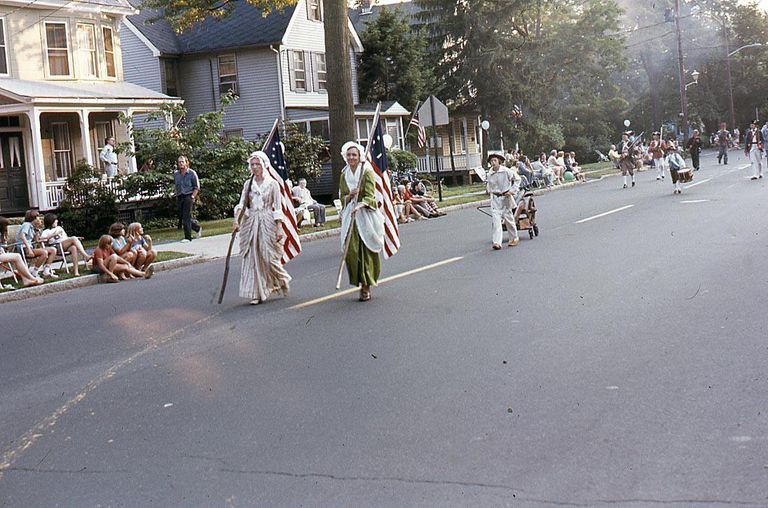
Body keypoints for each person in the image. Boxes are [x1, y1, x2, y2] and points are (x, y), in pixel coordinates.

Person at [233, 151, 292, 305]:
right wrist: (237, 220)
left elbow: (278, 207)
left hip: (267, 220)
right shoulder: (248, 184)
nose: (254, 167)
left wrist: (279, 227)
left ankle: (282, 278)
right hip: (252, 220)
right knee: (252, 256)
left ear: (264, 165)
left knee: (269, 256)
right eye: (252, 164)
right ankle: (256, 292)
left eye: (257, 164)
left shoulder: (273, 184)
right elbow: (242, 204)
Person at [339, 141, 385, 302]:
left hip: (365, 215)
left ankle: (366, 286)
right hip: (350, 215)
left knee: (366, 251)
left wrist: (362, 203)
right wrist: (350, 196)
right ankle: (358, 281)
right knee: (351, 252)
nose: (351, 157)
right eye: (349, 155)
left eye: (354, 155)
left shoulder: (366, 172)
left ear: (359, 156)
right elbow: (341, 197)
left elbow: (371, 196)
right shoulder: (344, 174)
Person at [486, 153, 519, 250]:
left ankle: (514, 238)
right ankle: (497, 242)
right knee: (496, 221)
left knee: (509, 219)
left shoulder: (506, 171)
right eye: (491, 161)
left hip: (505, 198)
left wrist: (512, 190)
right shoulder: (490, 173)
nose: (493, 163)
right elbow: (489, 184)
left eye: (495, 160)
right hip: (495, 199)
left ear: (499, 161)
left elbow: (517, 179)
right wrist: (489, 190)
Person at [0, 216, 43, 287]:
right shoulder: (26, 225)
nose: (6, 227)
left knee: (17, 257)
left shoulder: (2, 234)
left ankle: (26, 280)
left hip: (2, 253)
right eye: (5, 226)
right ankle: (31, 278)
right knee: (17, 256)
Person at [16, 210, 57, 279]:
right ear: (33, 219)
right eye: (37, 217)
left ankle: (46, 271)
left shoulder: (31, 227)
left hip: (30, 247)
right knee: (44, 253)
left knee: (53, 250)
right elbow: (22, 236)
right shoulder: (26, 224)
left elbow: (36, 240)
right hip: (24, 248)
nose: (39, 219)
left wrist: (37, 228)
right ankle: (34, 273)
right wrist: (29, 249)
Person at [174, 155, 202, 242]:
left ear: (187, 163)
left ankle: (188, 237)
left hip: (189, 195)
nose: (181, 163)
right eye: (179, 162)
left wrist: (193, 196)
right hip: (180, 196)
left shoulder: (191, 173)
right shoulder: (176, 174)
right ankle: (197, 228)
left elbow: (196, 187)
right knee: (183, 216)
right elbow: (177, 185)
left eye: (182, 162)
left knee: (186, 216)